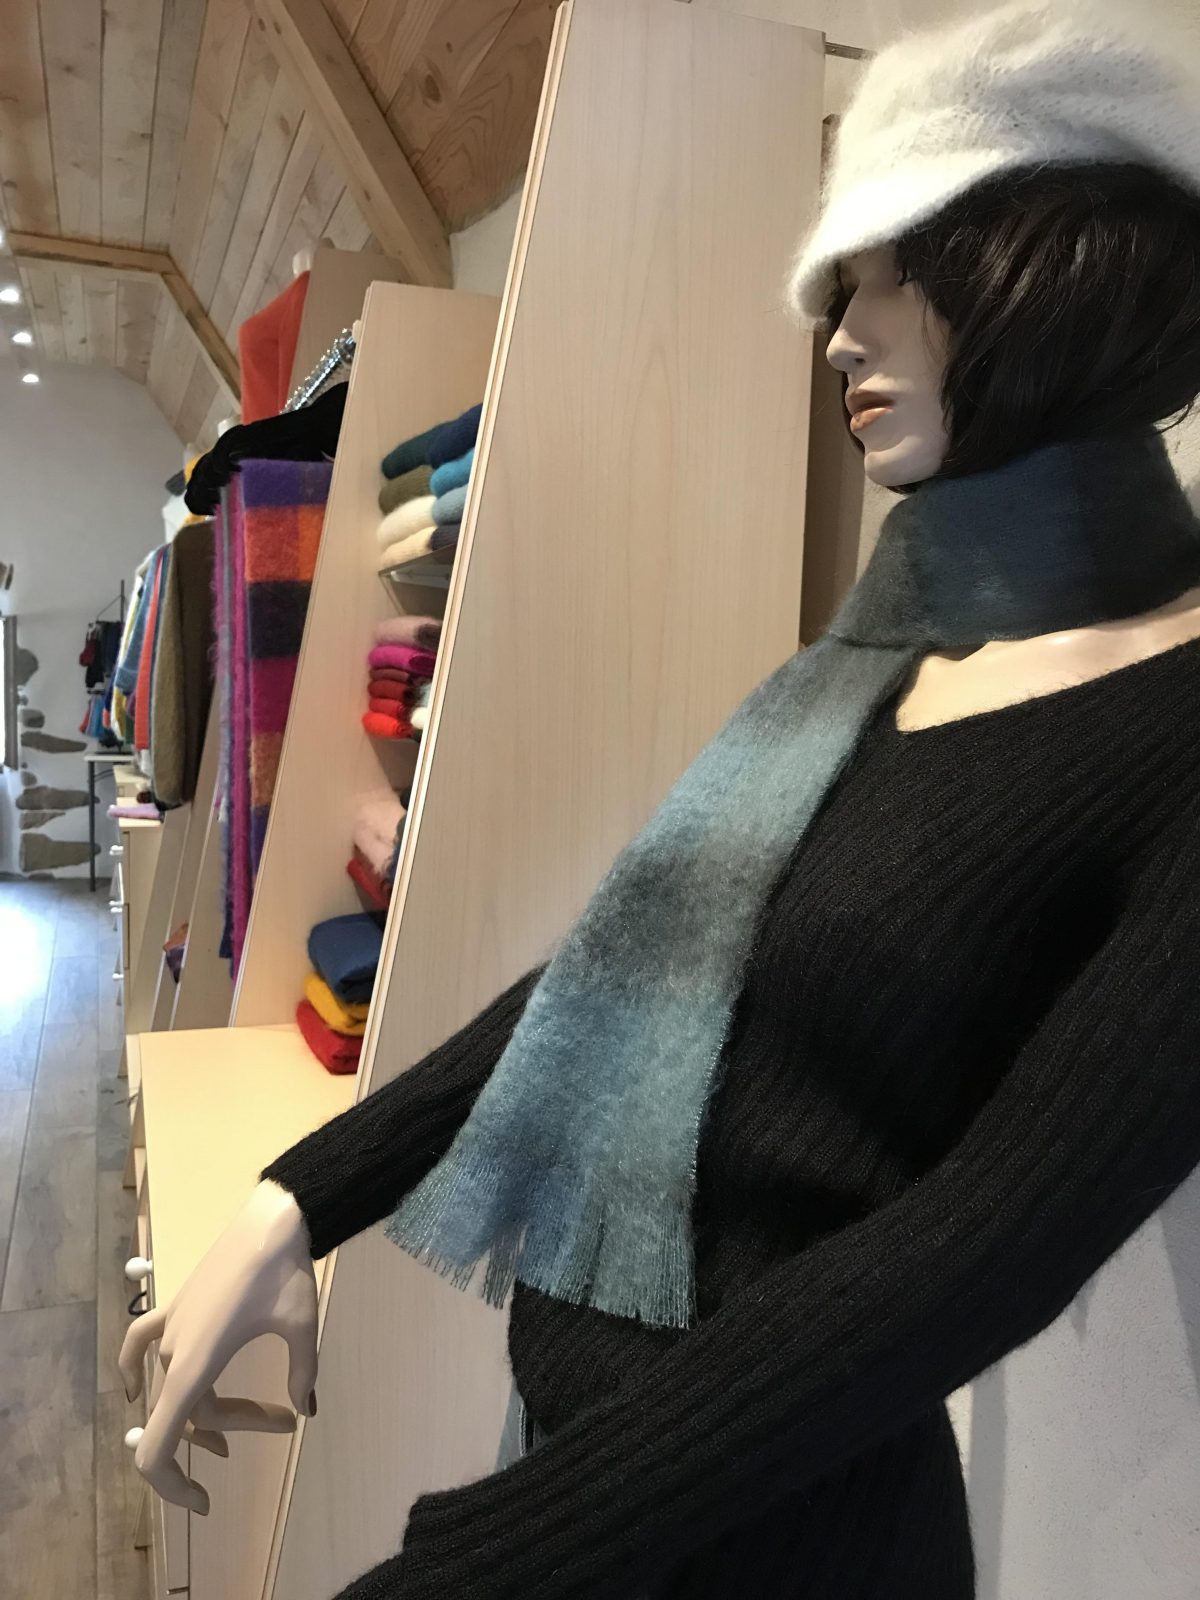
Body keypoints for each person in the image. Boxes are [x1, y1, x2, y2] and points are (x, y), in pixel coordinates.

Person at [121, 4, 1200, 1595]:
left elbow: (980, 1256)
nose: (840, 339)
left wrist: (482, 1565)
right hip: (576, 1478)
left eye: (889, 279)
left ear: (1055, 272)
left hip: (782, 1543)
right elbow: (628, 972)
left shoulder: (1173, 730)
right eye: (840, 292)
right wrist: (298, 1201)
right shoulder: (884, 656)